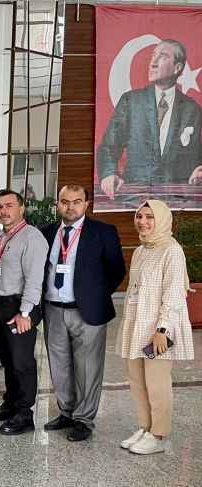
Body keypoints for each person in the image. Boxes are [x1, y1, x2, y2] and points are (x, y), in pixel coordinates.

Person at [40, 184, 126, 442]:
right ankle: (66, 412)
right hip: (53, 309)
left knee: (88, 368)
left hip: (87, 311)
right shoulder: (46, 233)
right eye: (65, 201)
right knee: (59, 366)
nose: (70, 206)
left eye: (76, 201)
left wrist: (95, 295)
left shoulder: (103, 232)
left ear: (86, 204)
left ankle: (84, 419)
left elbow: (116, 270)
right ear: (57, 204)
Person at [117, 199, 195, 454]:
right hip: (137, 324)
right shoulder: (141, 250)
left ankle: (159, 434)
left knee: (157, 382)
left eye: (149, 217)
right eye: (139, 216)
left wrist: (163, 329)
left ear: (161, 219)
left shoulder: (171, 250)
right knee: (137, 380)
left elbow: (174, 293)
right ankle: (145, 427)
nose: (143, 222)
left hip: (157, 328)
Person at [98, 39, 202, 198]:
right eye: (153, 56)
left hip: (176, 200)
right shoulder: (131, 101)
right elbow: (109, 146)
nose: (153, 62)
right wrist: (109, 172)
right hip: (134, 198)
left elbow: (196, 155)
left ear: (177, 68)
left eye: (162, 57)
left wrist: (199, 169)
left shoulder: (192, 109)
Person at [0, 189, 49, 435]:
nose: (4, 211)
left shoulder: (32, 237)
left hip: (20, 308)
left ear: (22, 209)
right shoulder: (0, 236)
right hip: (0, 306)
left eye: (9, 206)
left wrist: (25, 313)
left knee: (22, 362)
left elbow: (34, 279)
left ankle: (25, 414)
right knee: (8, 360)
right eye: (0, 206)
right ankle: (10, 404)